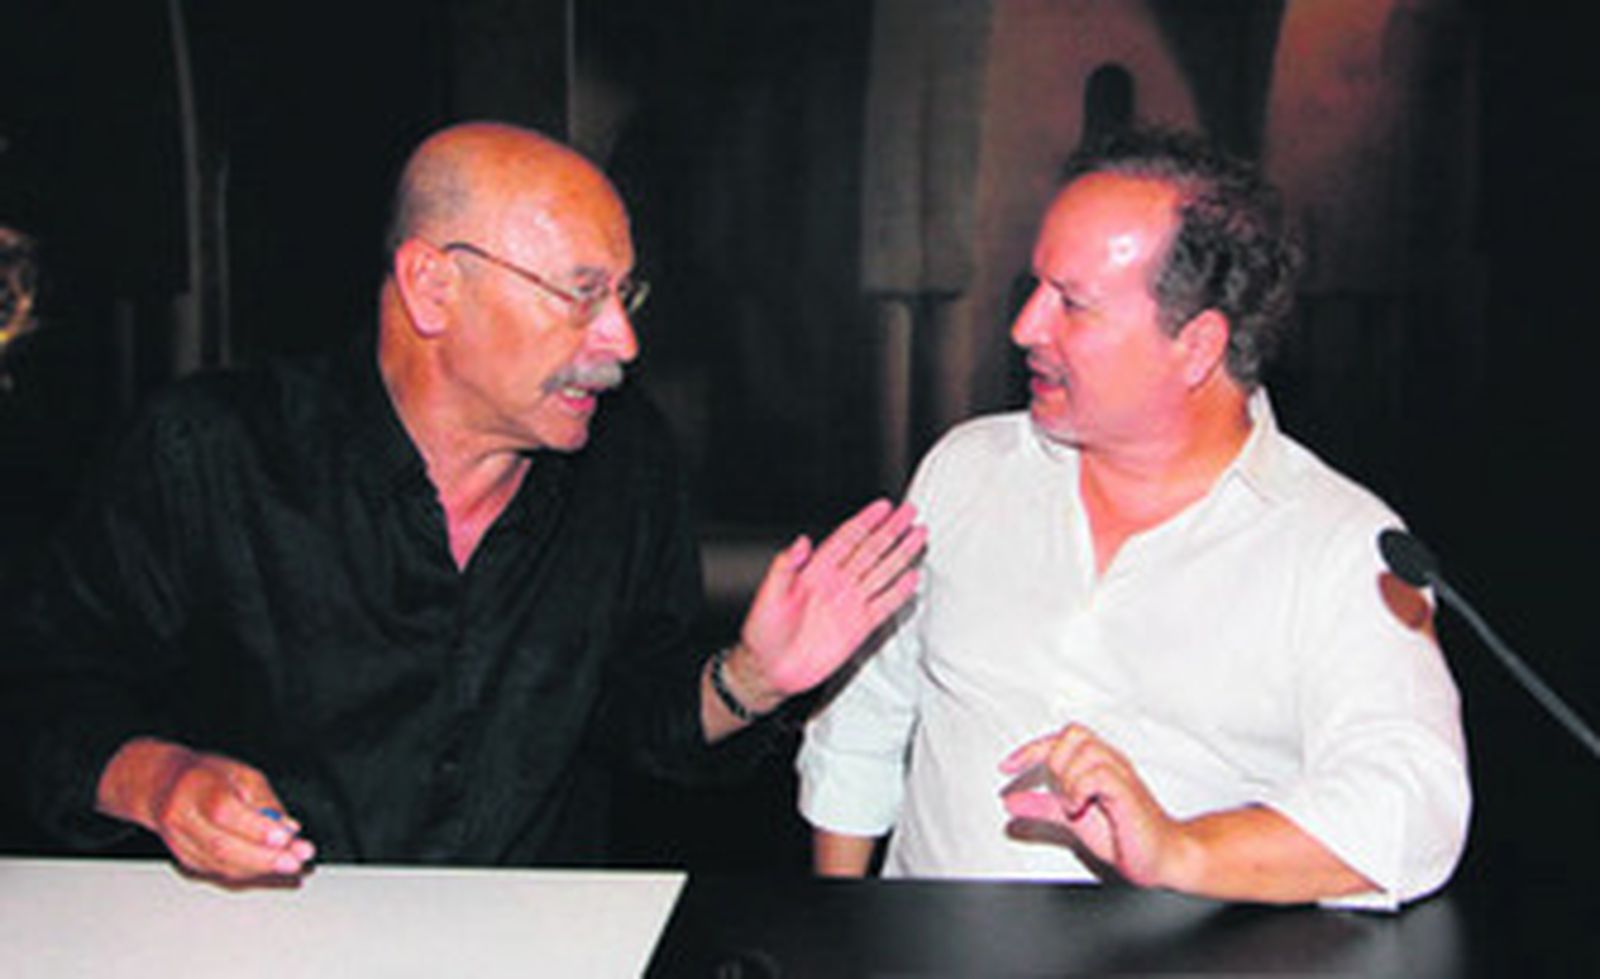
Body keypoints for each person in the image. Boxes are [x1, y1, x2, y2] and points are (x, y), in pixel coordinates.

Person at [0, 121, 924, 883]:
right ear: (432, 286)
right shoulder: (207, 454)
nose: (624, 340)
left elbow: (636, 719)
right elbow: (39, 697)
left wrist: (754, 679)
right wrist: (160, 781)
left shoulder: (624, 460)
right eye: (582, 293)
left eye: (625, 292)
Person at [797, 127, 1469, 909]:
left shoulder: (1340, 546)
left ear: (1196, 346)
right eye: (1035, 287)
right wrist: (838, 927)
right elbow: (864, 722)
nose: (1025, 327)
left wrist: (1181, 849)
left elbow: (1413, 804)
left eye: (1072, 304)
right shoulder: (966, 471)